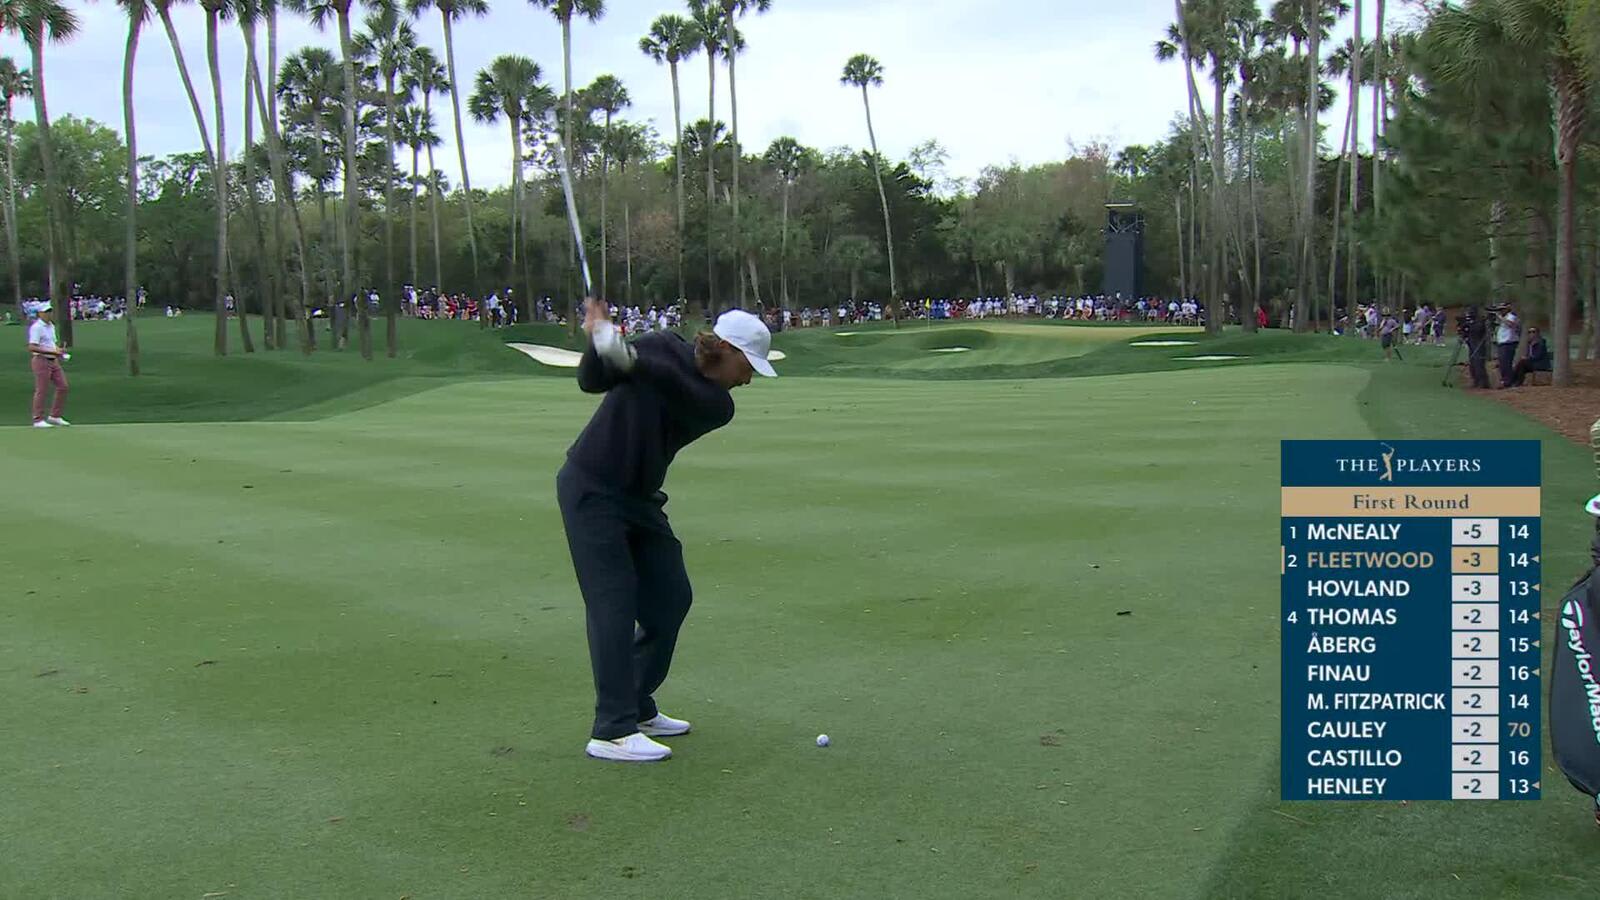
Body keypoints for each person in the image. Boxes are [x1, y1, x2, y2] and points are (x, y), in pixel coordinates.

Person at [558, 299, 777, 762]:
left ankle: (636, 701)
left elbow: (668, 384)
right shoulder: (659, 345)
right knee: (613, 602)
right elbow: (593, 381)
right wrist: (598, 344)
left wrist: (618, 349)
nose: (748, 379)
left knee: (671, 597)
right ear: (727, 350)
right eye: (748, 365)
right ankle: (612, 728)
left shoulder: (717, 404)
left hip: (639, 500)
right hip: (591, 488)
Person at [27, 301, 69, 428]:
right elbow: (32, 347)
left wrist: (59, 351)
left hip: (53, 360)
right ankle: (38, 419)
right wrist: (52, 351)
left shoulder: (51, 326)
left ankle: (54, 416)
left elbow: (51, 343)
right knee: (42, 389)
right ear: (40, 314)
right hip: (41, 361)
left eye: (50, 311)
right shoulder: (37, 327)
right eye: (47, 312)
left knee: (63, 386)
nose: (49, 314)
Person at [1495, 306, 1520, 388]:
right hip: (1501, 343)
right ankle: (1504, 380)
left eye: (1502, 309)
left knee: (1507, 363)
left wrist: (1500, 318)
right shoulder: (1503, 318)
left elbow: (1510, 324)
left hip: (1509, 343)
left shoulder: (1511, 316)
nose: (1500, 311)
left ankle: (1509, 381)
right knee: (1502, 363)